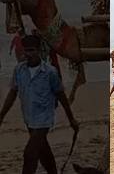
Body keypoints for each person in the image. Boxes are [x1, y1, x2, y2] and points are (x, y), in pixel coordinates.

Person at [0, 35, 79, 174]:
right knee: (43, 152)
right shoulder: (19, 70)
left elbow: (61, 96)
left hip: (44, 120)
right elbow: (12, 94)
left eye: (31, 50)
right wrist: (1, 116)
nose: (28, 54)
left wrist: (71, 118)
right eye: (26, 51)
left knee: (29, 154)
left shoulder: (50, 72)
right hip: (29, 118)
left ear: (38, 50)